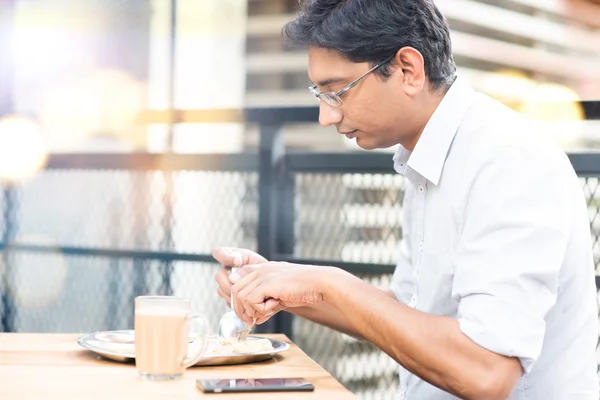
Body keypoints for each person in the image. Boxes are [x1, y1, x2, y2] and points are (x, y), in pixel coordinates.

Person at [213, 0, 599, 398]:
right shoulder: (427, 156)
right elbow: (404, 309)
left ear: (408, 70)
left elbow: (487, 371)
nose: (326, 117)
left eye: (336, 92)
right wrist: (286, 284)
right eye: (320, 94)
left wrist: (330, 283)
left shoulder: (507, 160)